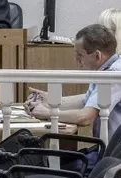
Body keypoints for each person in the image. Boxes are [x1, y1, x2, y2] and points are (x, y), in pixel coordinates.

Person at [25, 24, 121, 157]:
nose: (77, 61)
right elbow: (85, 101)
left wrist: (47, 113)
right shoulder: (107, 69)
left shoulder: (112, 75)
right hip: (109, 150)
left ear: (97, 55)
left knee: (50, 161)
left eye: (80, 55)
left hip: (113, 157)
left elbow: (85, 117)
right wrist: (49, 100)